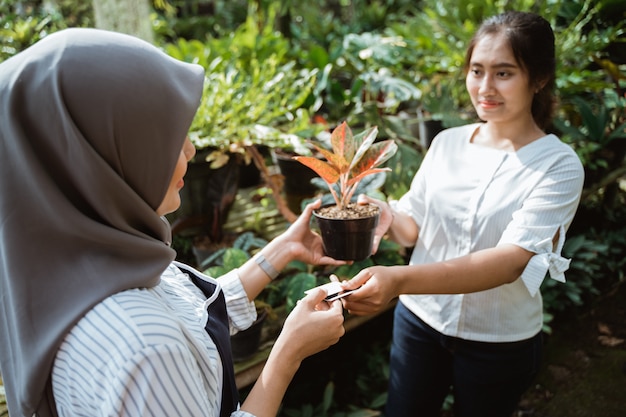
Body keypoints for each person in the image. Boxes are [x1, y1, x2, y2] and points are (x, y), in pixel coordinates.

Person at [0, 28, 347, 417]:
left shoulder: (70, 269)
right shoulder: (145, 346)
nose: (190, 150)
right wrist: (288, 353)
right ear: (102, 159)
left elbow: (192, 313)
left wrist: (282, 251)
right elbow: (165, 335)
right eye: (167, 139)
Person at [338, 11, 585, 417]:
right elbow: (413, 227)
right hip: (419, 323)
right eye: (477, 70)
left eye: (504, 73)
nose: (485, 88)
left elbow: (509, 262)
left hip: (499, 341)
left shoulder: (557, 165)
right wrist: (385, 214)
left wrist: (397, 280)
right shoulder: (447, 143)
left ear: (538, 79)